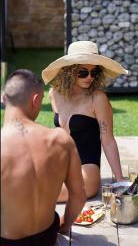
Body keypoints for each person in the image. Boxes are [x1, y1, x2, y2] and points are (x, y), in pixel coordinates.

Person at [1, 69, 86, 246]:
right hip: (46, 238)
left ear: (3, 98)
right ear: (36, 100)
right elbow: (79, 196)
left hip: (7, 245)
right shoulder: (61, 140)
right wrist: (63, 226)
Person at [42, 40, 128, 200]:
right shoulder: (54, 94)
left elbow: (107, 140)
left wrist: (119, 178)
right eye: (83, 72)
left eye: (94, 72)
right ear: (69, 71)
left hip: (86, 165)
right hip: (59, 160)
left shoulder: (97, 99)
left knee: (46, 193)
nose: (90, 77)